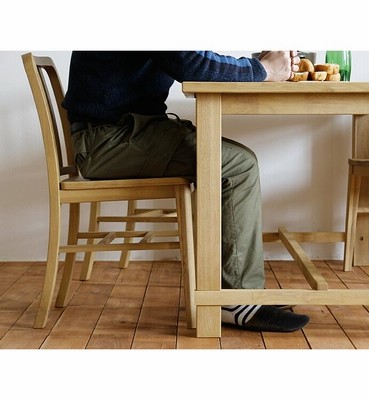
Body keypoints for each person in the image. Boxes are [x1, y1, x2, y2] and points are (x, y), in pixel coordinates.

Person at [62, 51, 310, 332]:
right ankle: (235, 299)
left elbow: (195, 58)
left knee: (235, 160)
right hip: (108, 140)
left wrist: (260, 66)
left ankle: (234, 291)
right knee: (237, 165)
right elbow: (191, 64)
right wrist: (261, 69)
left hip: (125, 130)